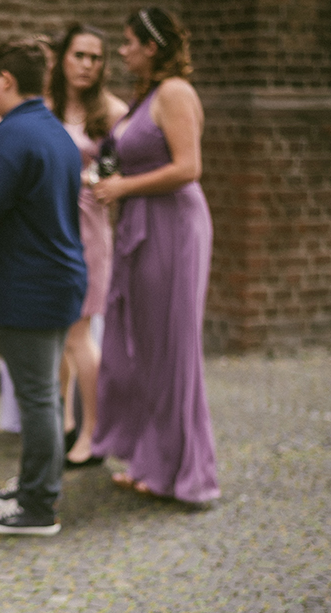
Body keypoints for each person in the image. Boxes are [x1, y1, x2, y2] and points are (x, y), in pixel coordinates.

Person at [0, 25, 127, 467]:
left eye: (95, 56)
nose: (87, 64)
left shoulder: (106, 112)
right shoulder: (47, 115)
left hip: (73, 228)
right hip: (56, 227)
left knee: (70, 350)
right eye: (79, 55)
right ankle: (56, 440)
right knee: (48, 379)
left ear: (5, 80)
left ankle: (85, 438)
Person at [0, 39, 87, 537]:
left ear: (5, 79)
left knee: (40, 397)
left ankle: (37, 504)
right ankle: (34, 483)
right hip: (56, 277)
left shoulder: (12, 133)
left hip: (30, 285)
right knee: (44, 391)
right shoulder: (52, 130)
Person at [88, 7, 219, 504]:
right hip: (140, 227)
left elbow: (189, 167)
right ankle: (151, 460)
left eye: (128, 43)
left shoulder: (176, 94)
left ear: (152, 46)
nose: (121, 52)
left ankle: (187, 471)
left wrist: (124, 186)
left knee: (172, 346)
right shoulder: (144, 98)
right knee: (143, 345)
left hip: (174, 226)